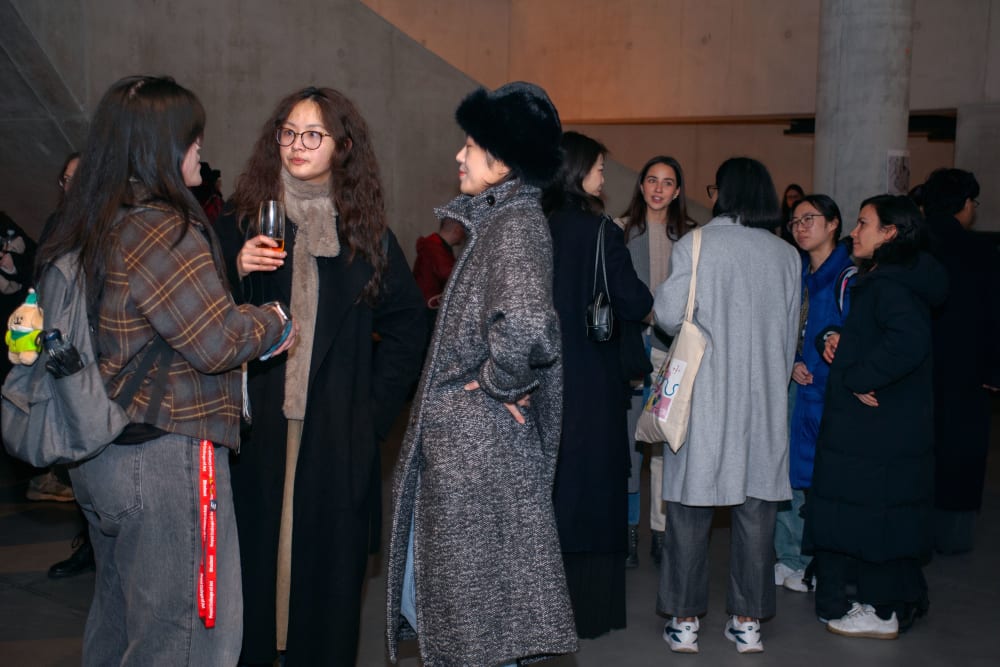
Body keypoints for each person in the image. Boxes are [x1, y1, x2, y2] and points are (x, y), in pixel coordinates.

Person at [35, 74, 294, 666]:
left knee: (121, 629)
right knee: (186, 641)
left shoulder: (94, 219)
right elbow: (216, 341)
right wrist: (275, 322)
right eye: (191, 136)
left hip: (103, 451)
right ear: (160, 146)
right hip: (164, 460)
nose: (200, 145)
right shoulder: (159, 226)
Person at [215, 86, 426, 666]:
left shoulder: (366, 234)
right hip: (256, 427)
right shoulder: (240, 223)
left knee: (324, 571)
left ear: (343, 146)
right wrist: (235, 269)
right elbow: (201, 316)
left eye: (314, 134)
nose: (298, 145)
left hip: (333, 430)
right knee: (253, 563)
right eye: (288, 132)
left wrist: (370, 414)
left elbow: (409, 326)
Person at [386, 81, 578, 667]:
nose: (459, 155)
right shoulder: (505, 221)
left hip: (477, 452)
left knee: (474, 625)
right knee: (472, 618)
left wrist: (498, 382)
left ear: (502, 159)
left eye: (470, 145)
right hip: (476, 449)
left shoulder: (514, 227)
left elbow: (527, 323)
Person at [653, 157, 799, 654]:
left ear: (724, 193)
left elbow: (668, 316)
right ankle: (747, 622)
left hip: (706, 398)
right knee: (757, 512)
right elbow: (789, 334)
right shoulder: (786, 255)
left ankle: (685, 623)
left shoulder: (695, 244)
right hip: (763, 401)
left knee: (689, 511)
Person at [805, 195, 946, 638]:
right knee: (876, 514)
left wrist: (857, 376)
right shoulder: (891, 276)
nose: (854, 232)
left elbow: (907, 342)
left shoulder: (891, 284)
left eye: (864, 223)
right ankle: (882, 604)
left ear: (890, 232)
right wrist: (838, 339)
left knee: (878, 517)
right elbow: (875, 334)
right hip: (885, 427)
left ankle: (882, 611)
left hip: (880, 429)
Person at [544, 131, 653, 638]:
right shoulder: (600, 231)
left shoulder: (535, 226)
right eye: (600, 168)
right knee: (593, 487)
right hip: (592, 377)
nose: (604, 176)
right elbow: (634, 300)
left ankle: (541, 608)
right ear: (578, 169)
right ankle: (586, 611)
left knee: (551, 486)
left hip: (540, 376)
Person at [616, 155, 696, 568]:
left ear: (678, 191)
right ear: (642, 185)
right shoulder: (619, 229)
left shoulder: (691, 237)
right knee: (630, 445)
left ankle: (661, 533)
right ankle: (628, 532)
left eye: (667, 182)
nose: (658, 188)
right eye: (652, 180)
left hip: (673, 350)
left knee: (665, 444)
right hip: (631, 349)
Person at [774, 194, 854, 593]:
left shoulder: (848, 277)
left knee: (828, 481)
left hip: (832, 395)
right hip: (797, 389)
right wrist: (791, 360)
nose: (801, 227)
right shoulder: (796, 271)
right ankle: (792, 557)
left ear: (834, 223)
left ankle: (820, 563)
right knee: (788, 474)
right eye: (795, 221)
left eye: (810, 218)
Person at [920, 168, 1000, 554]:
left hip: (917, 366)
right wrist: (994, 369)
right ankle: (951, 537)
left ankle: (915, 530)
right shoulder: (980, 251)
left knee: (920, 447)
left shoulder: (913, 245)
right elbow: (995, 313)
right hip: (967, 369)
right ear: (965, 204)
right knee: (961, 450)